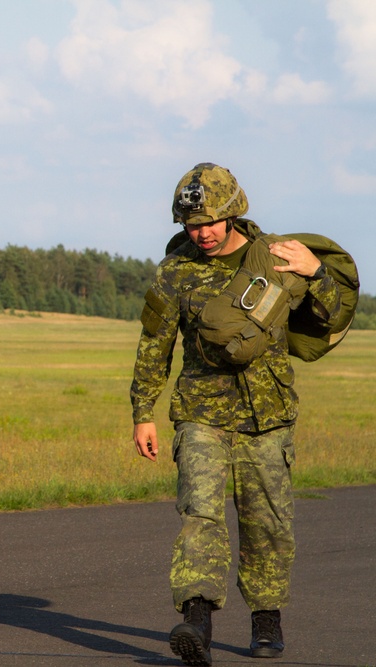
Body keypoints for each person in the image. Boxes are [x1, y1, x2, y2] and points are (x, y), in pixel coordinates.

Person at [130, 163, 343, 665]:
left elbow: (330, 316)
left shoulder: (276, 258)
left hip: (267, 416)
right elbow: (154, 343)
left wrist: (317, 274)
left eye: (208, 221)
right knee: (199, 514)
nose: (200, 233)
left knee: (267, 522)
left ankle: (266, 618)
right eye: (190, 225)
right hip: (200, 412)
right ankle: (197, 621)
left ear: (232, 213)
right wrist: (144, 411)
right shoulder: (175, 271)